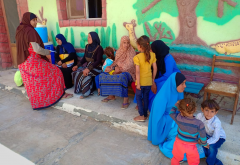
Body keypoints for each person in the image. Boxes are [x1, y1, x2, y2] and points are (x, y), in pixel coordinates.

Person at [16, 12, 72, 110]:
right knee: (56, 71)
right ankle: (60, 94)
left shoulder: (19, 30)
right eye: (33, 20)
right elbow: (37, 49)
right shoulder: (29, 30)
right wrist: (48, 52)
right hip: (32, 61)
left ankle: (38, 102)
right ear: (28, 20)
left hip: (22, 63)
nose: (35, 22)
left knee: (34, 82)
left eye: (36, 20)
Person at [134, 40, 180, 111]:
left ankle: (152, 105)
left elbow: (167, 76)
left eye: (152, 49)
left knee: (159, 86)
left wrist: (153, 81)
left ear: (158, 49)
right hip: (161, 78)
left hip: (172, 79)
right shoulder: (158, 57)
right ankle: (142, 102)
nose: (151, 51)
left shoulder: (168, 58)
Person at [99, 36, 136, 109]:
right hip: (118, 70)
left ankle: (126, 99)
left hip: (129, 73)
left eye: (128, 43)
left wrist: (119, 70)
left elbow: (130, 65)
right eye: (124, 43)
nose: (126, 45)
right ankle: (111, 95)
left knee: (122, 76)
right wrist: (111, 67)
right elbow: (116, 62)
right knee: (103, 75)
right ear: (121, 43)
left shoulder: (131, 52)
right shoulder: (119, 51)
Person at [170, 98, 207, 165]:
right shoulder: (199, 123)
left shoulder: (178, 118)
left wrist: (177, 104)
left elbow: (171, 112)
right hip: (191, 146)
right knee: (193, 161)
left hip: (179, 143)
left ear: (181, 111)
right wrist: (204, 144)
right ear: (195, 109)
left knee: (176, 158)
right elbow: (203, 136)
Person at [72, 32, 103, 99]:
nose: (87, 38)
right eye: (88, 37)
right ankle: (80, 89)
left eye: (89, 37)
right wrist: (77, 65)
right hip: (88, 66)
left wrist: (88, 69)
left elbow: (98, 61)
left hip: (97, 67)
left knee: (86, 74)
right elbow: (84, 58)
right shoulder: (87, 46)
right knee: (76, 72)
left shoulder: (99, 48)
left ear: (94, 38)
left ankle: (86, 93)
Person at [133, 36, 157, 122]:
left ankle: (142, 116)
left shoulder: (137, 57)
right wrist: (153, 79)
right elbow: (155, 68)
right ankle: (146, 114)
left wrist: (138, 83)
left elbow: (137, 72)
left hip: (141, 82)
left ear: (139, 46)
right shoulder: (152, 55)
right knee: (146, 97)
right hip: (148, 82)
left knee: (139, 98)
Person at [196, 100, 226, 165]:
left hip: (219, 137)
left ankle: (210, 163)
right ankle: (218, 162)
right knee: (202, 147)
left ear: (216, 112)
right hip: (207, 134)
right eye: (206, 110)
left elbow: (215, 137)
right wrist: (199, 138)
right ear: (202, 109)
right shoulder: (199, 116)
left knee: (211, 147)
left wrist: (205, 142)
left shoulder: (216, 122)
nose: (209, 114)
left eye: (212, 111)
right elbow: (197, 127)